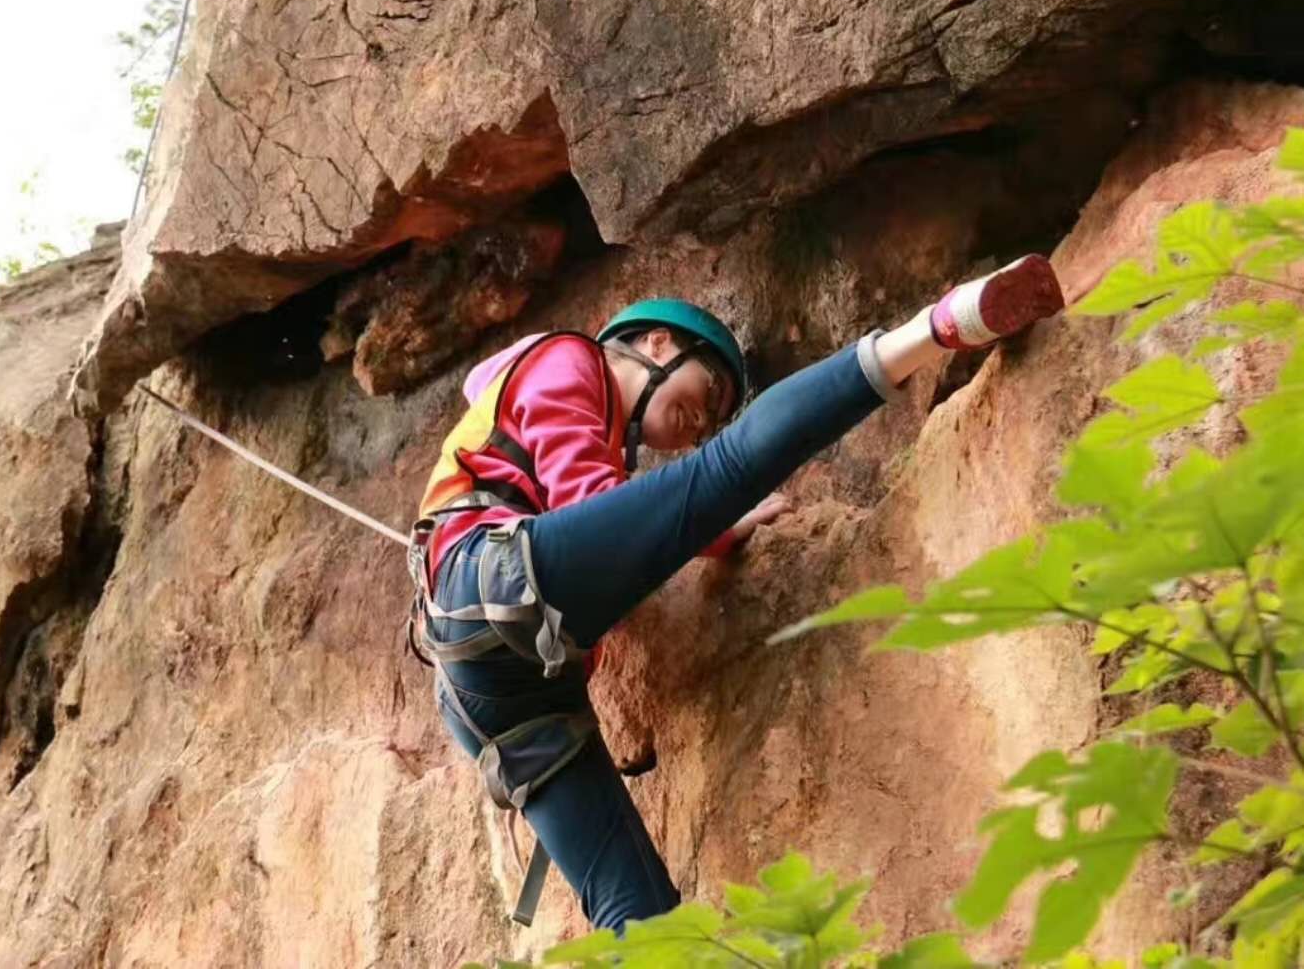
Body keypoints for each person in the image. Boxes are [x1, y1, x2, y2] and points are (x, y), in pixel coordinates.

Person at [408, 254, 1066, 933]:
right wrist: (711, 519)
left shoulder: (551, 427)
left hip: (496, 692)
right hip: (489, 585)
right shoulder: (568, 359)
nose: (702, 421)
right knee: (728, 469)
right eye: (711, 387)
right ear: (656, 343)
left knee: (641, 918)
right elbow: (593, 505)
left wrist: (708, 531)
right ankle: (939, 326)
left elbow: (608, 527)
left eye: (715, 417)